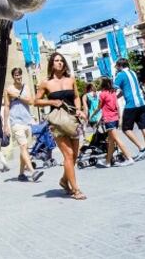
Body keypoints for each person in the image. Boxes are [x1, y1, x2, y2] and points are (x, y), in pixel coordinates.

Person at [35, 52, 87, 200]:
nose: (60, 63)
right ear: (51, 64)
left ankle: (64, 180)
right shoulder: (46, 83)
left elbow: (76, 96)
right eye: (56, 61)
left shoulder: (71, 80)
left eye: (61, 61)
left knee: (75, 156)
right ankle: (75, 190)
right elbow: (36, 101)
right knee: (68, 155)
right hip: (57, 122)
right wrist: (51, 102)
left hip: (72, 120)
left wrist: (79, 110)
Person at [3, 67, 43, 182]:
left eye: (20, 75)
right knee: (23, 146)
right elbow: (6, 107)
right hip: (15, 121)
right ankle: (33, 172)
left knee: (24, 148)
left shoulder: (26, 87)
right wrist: (6, 125)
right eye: (16, 75)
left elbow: (31, 102)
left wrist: (18, 95)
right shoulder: (8, 89)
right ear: (13, 76)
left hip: (27, 121)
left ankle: (21, 174)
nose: (18, 77)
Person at [114, 58, 145, 160]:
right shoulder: (133, 72)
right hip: (141, 103)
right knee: (144, 126)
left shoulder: (120, 75)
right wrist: (117, 97)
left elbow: (113, 87)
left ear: (119, 66)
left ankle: (141, 148)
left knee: (126, 128)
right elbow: (127, 89)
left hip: (131, 105)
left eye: (117, 66)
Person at [98, 77, 134, 167]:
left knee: (116, 139)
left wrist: (92, 116)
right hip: (115, 118)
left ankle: (129, 158)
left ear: (102, 84)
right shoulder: (113, 92)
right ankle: (108, 162)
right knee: (111, 141)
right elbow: (117, 106)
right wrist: (120, 117)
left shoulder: (102, 94)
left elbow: (99, 107)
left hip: (108, 119)